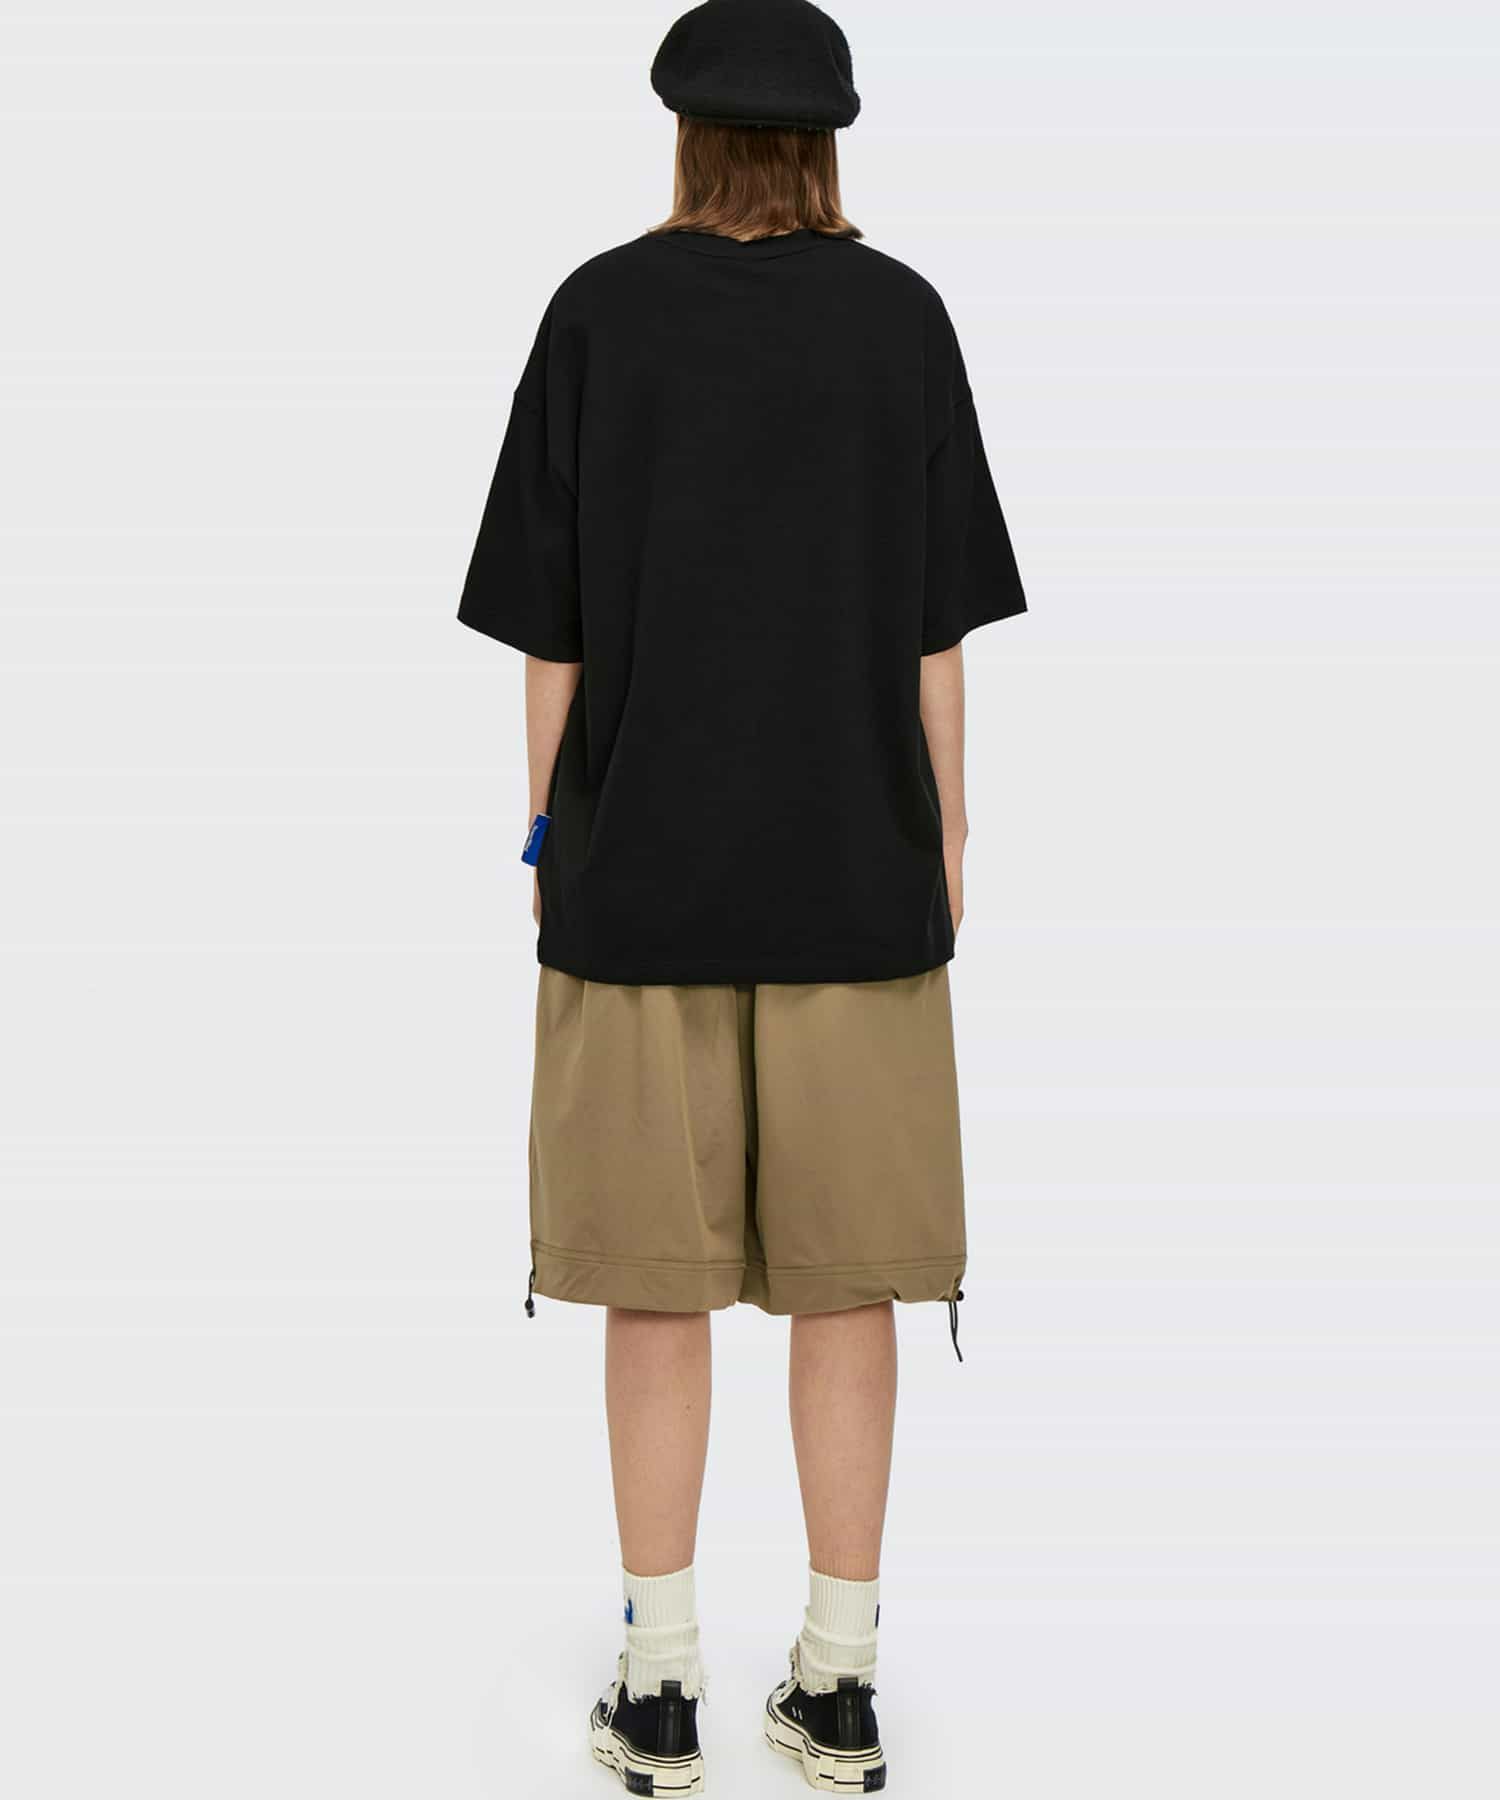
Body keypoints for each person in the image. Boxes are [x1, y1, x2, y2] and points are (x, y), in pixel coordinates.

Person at [457, 1, 1026, 1789]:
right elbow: (937, 632)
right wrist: (949, 834)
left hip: (638, 880)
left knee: (655, 1287)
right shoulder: (903, 320)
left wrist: (545, 838)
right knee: (851, 1291)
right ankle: (840, 1684)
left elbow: (549, 634)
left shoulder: (597, 315)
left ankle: (657, 1684)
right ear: (828, 140)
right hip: (858, 875)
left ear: (687, 134)